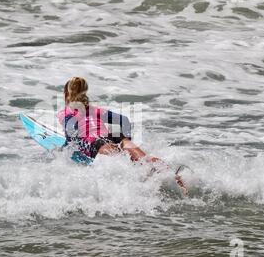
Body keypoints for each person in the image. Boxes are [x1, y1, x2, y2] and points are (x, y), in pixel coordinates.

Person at [57, 77, 188, 194]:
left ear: (66, 94)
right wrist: (126, 142)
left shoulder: (64, 113)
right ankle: (176, 179)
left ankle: (144, 181)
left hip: (94, 142)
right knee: (144, 160)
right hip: (113, 136)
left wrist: (65, 150)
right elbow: (123, 120)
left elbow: (71, 135)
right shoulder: (96, 110)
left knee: (121, 161)